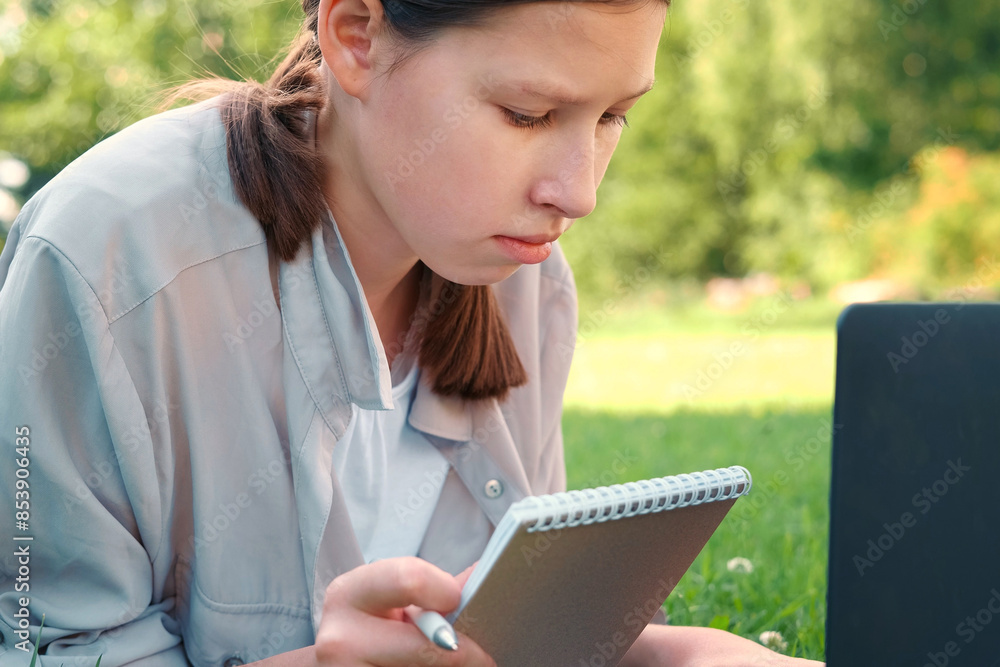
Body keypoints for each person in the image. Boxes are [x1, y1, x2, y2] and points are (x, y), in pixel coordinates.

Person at [0, 0, 824, 664]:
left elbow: (500, 641)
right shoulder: (100, 256)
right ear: (355, 36)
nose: (579, 194)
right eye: (528, 113)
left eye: (613, 117)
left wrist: (688, 656)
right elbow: (48, 644)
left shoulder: (523, 282)